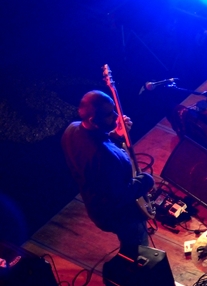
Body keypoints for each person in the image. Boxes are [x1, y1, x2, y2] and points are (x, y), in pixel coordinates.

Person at [61, 90, 154, 255]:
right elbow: (120, 195)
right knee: (138, 248)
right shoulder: (104, 157)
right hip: (117, 214)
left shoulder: (72, 129)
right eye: (109, 114)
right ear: (93, 120)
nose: (116, 116)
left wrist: (115, 135)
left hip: (94, 204)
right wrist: (145, 180)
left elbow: (98, 141)